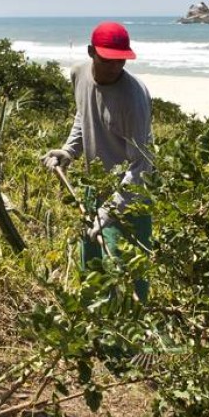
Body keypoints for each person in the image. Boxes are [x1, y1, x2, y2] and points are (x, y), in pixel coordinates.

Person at [42, 22, 153, 300]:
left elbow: (142, 165)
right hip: (95, 188)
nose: (115, 67)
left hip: (130, 198)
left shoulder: (133, 98)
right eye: (107, 60)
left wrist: (110, 211)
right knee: (92, 272)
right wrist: (69, 151)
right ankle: (96, 339)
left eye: (120, 60)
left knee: (124, 278)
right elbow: (83, 115)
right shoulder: (79, 74)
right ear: (91, 52)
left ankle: (127, 343)